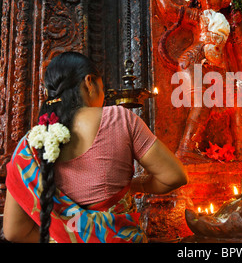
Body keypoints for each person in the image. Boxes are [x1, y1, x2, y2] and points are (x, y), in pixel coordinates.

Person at [3, 51, 188, 243]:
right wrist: (135, 185)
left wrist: (65, 238)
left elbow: (14, 231)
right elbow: (174, 176)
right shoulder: (119, 119)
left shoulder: (31, 144)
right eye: (103, 88)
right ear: (89, 82)